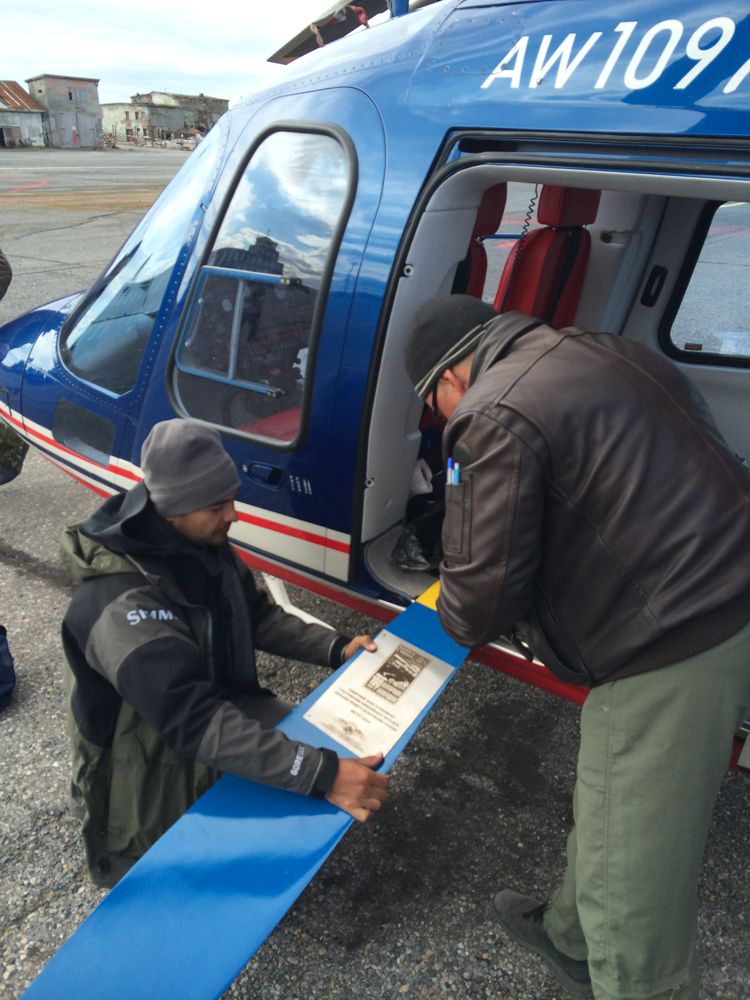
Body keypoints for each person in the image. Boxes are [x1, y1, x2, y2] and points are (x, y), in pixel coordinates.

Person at [402, 295, 750, 1000]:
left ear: (450, 379)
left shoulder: (490, 412)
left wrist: (446, 606)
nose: (442, 419)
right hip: (728, 581)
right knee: (610, 799)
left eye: (434, 408)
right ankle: (568, 937)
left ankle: (633, 980)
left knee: (637, 870)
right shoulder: (605, 350)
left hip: (672, 637)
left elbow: (479, 601)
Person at [61, 419, 388, 888]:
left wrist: (335, 647)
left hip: (214, 706)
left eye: (232, 499)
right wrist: (320, 773)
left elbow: (255, 616)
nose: (234, 515)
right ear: (171, 507)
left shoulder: (201, 542)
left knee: (328, 749)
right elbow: (192, 720)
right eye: (217, 506)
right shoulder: (120, 603)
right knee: (176, 878)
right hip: (143, 757)